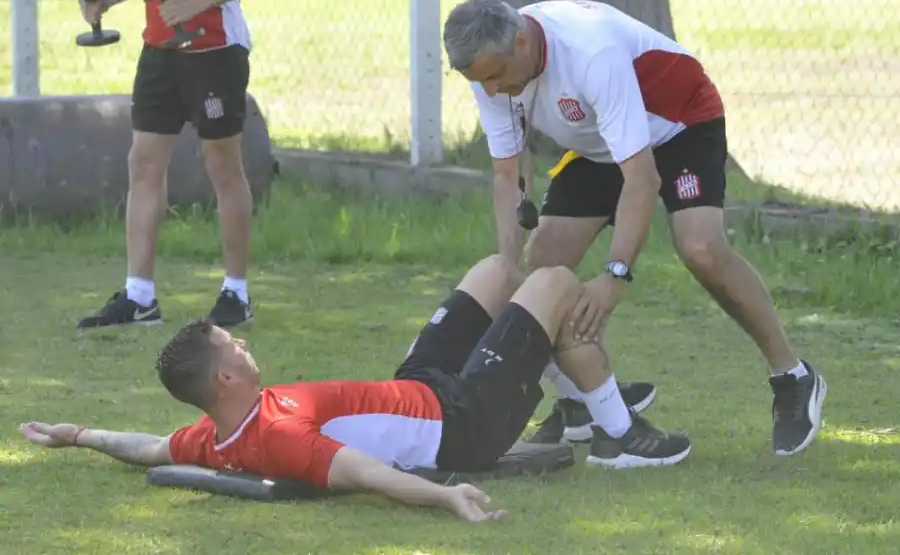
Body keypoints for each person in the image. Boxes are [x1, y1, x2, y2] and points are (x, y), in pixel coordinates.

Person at [20, 255, 692, 522]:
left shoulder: (217, 433)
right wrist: (446, 495)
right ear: (223, 377)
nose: (245, 342)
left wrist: (75, 435)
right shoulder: (279, 438)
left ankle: (562, 381)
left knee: (496, 270)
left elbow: (150, 448)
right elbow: (367, 473)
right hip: (463, 421)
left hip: (416, 388)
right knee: (552, 281)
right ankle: (611, 424)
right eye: (234, 345)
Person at [441, 0, 827, 456]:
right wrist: (507, 273)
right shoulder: (490, 67)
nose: (490, 91)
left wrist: (615, 274)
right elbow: (509, 176)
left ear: (522, 42)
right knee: (542, 261)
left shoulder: (590, 54)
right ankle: (582, 399)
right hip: (601, 144)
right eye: (478, 81)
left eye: (495, 77)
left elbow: (641, 179)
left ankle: (793, 376)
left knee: (700, 246)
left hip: (679, 125)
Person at [75, 0, 276, 330]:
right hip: (160, 51)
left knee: (222, 165)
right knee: (144, 161)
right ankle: (139, 297)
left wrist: (196, 3)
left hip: (215, 50)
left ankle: (236, 294)